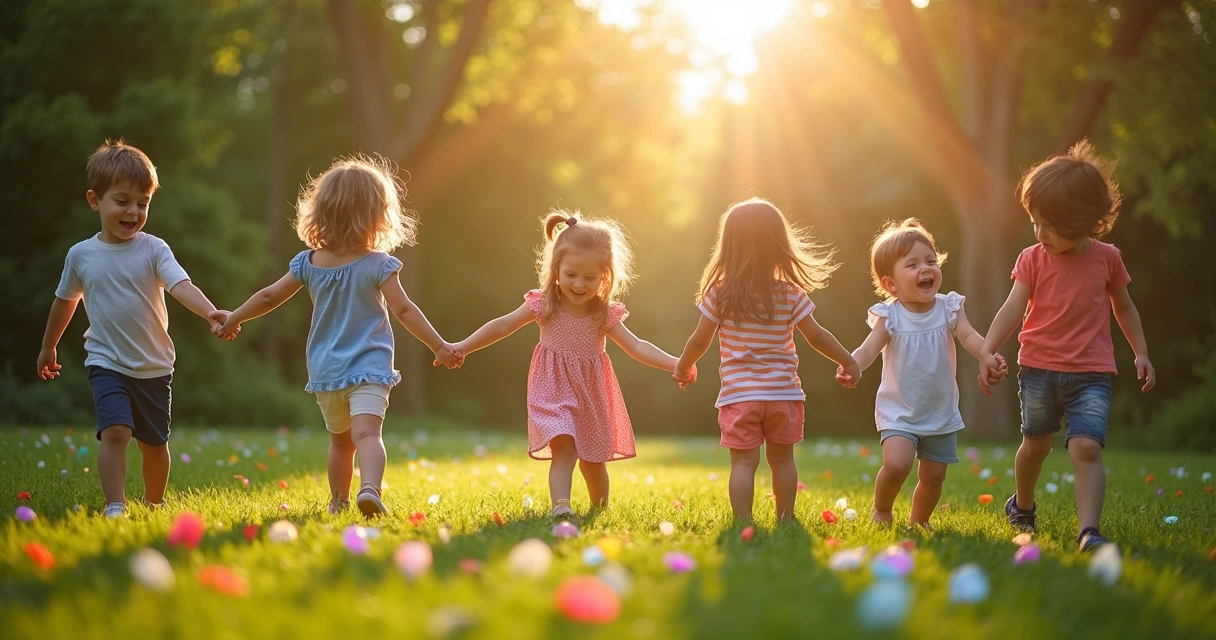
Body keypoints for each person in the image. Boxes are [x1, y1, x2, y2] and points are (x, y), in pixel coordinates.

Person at [213, 155, 461, 517]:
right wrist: (438, 345)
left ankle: (338, 502)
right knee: (368, 436)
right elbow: (404, 309)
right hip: (369, 365)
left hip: (326, 368)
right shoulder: (379, 265)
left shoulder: (309, 263)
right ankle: (371, 490)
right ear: (377, 215)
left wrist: (233, 318)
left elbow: (269, 296)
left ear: (321, 212)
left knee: (341, 444)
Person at [979, 140, 1155, 551]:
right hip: (1038, 369)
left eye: (1048, 225)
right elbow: (1011, 309)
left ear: (1083, 220)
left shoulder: (1107, 259)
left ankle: (1088, 531)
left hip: (1091, 374)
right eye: (1034, 223)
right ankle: (1022, 506)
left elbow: (1124, 309)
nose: (1039, 233)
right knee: (1035, 445)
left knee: (1087, 447)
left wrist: (1141, 351)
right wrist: (988, 349)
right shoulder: (1032, 258)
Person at [37, 139, 227, 517]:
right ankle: (115, 504)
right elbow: (65, 300)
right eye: (122, 201)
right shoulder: (81, 255)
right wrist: (48, 347)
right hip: (106, 361)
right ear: (95, 200)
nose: (134, 211)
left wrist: (210, 313)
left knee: (154, 444)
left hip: (154, 365)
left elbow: (180, 286)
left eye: (143, 203)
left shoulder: (154, 249)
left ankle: (155, 503)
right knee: (116, 432)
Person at [453, 212, 681, 520]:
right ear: (556, 268)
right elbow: (503, 325)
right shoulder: (544, 303)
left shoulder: (604, 313)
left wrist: (676, 364)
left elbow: (636, 346)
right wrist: (462, 347)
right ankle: (561, 506)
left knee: (592, 460)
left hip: (591, 394)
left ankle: (600, 509)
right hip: (552, 389)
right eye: (571, 274)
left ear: (605, 277)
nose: (578, 284)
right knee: (563, 447)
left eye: (590, 278)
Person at [674, 198, 859, 522]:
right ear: (778, 245)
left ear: (728, 246)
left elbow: (700, 339)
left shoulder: (720, 294)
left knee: (743, 463)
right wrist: (847, 359)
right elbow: (816, 336)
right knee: (783, 461)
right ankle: (785, 518)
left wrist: (684, 364)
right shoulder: (789, 293)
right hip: (782, 395)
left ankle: (743, 520)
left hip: (739, 396)